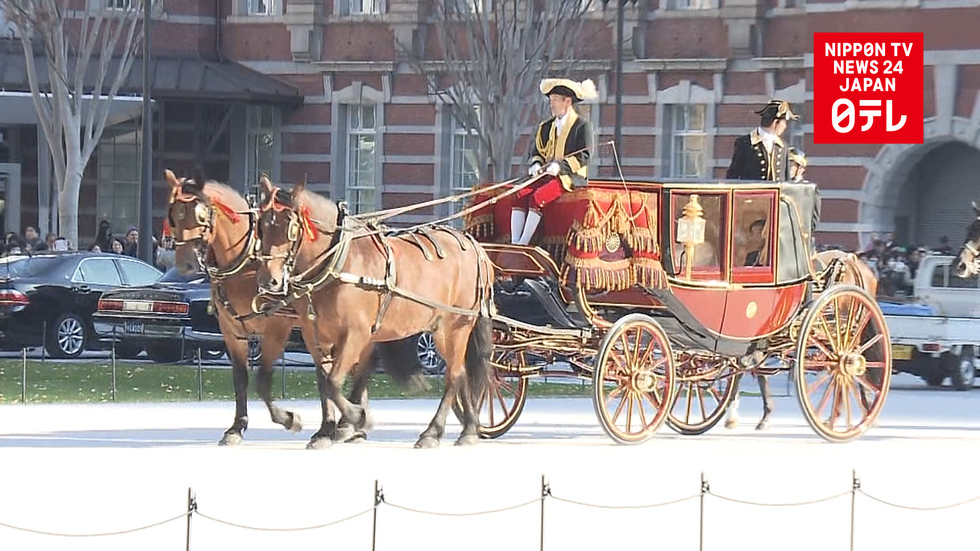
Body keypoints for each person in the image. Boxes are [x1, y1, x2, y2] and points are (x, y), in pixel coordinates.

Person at [510, 77, 596, 246]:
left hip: (570, 177)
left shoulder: (582, 126)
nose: (552, 104)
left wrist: (560, 167)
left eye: (555, 100)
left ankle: (523, 244)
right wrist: (536, 163)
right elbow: (537, 151)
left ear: (567, 102)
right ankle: (514, 243)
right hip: (546, 174)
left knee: (538, 197)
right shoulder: (546, 126)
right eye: (551, 100)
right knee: (519, 194)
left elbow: (585, 155)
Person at [726, 99, 798, 182]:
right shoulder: (745, 143)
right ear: (775, 122)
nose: (785, 126)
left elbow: (787, 179)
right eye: (784, 122)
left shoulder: (783, 146)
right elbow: (733, 175)